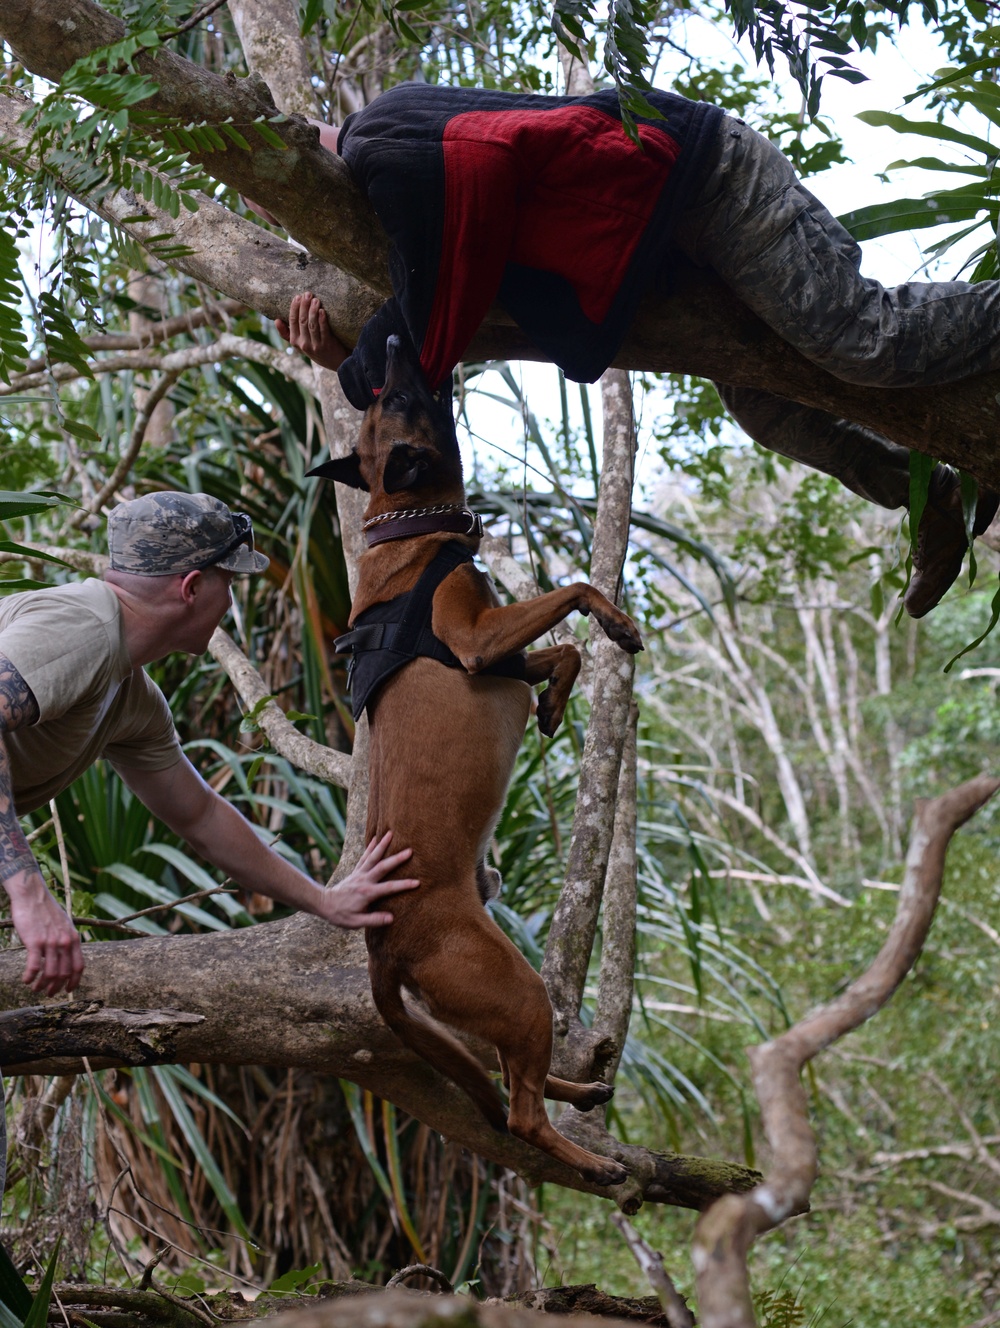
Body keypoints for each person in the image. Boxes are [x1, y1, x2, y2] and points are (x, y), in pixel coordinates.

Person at [259, 85, 1000, 617]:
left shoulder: (380, 141)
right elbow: (437, 311)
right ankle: (928, 498)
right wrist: (349, 363)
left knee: (860, 337)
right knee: (768, 410)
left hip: (706, 182)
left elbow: (444, 284)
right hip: (672, 252)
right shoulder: (399, 191)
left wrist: (360, 368)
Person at [0, 491, 419, 1000]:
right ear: (193, 587)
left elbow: (200, 816)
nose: (232, 600)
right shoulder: (84, 626)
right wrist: (27, 893)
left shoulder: (132, 698)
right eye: (230, 582)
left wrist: (324, 901)